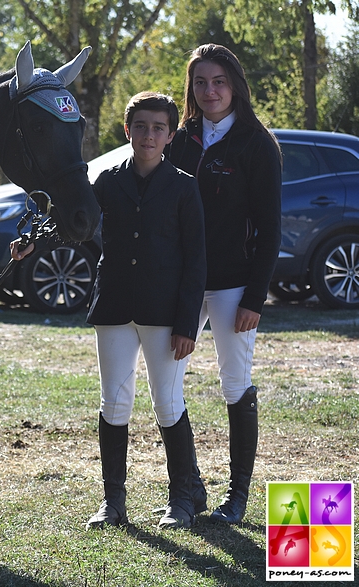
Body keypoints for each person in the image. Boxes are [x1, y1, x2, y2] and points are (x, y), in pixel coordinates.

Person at [12, 91, 207, 529]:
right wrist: (34, 242)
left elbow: (197, 262)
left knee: (167, 404)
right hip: (115, 305)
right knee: (114, 404)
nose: (149, 135)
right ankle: (113, 502)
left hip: (166, 314)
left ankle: (182, 499)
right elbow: (73, 223)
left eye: (158, 128)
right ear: (127, 131)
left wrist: (187, 324)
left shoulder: (183, 187)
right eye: (141, 127)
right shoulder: (106, 180)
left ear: (170, 135)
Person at [166, 44, 282, 524]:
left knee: (235, 385)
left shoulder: (258, 142)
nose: (209, 90)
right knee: (167, 385)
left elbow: (271, 229)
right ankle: (186, 492)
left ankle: (237, 499)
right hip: (181, 284)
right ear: (191, 88)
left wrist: (255, 296)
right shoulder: (180, 139)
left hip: (235, 286)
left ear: (234, 83)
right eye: (200, 82)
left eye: (218, 81)